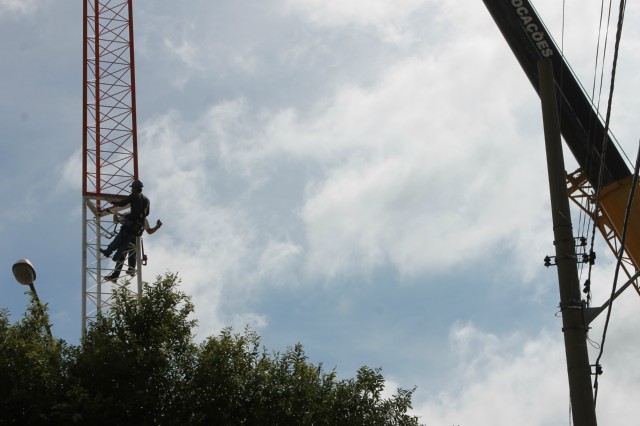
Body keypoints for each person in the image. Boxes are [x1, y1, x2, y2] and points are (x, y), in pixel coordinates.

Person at [99, 179, 150, 282]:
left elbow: (123, 203)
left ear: (135, 188)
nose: (132, 190)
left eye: (132, 188)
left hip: (131, 225)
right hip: (138, 228)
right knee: (124, 249)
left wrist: (113, 202)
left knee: (120, 240)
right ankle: (120, 270)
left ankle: (108, 252)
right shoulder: (147, 200)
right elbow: (146, 213)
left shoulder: (134, 195)